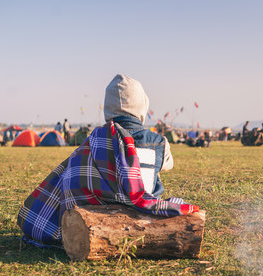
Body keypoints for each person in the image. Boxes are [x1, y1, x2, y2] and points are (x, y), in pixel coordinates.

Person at [17, 74, 198, 248]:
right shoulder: (158, 141)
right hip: (142, 210)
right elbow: (168, 165)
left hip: (95, 211)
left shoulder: (95, 139)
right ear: (142, 105)